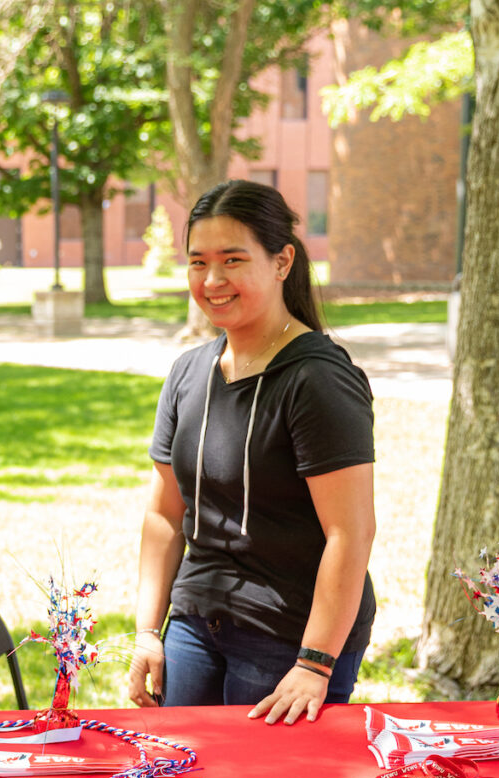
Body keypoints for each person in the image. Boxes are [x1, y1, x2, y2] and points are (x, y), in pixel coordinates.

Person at [126, 180, 377, 726]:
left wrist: (314, 663)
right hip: (196, 621)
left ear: (282, 261)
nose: (213, 280)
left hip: (288, 638)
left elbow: (350, 533)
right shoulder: (188, 373)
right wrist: (148, 631)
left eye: (232, 260)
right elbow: (165, 515)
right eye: (198, 262)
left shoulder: (318, 381)